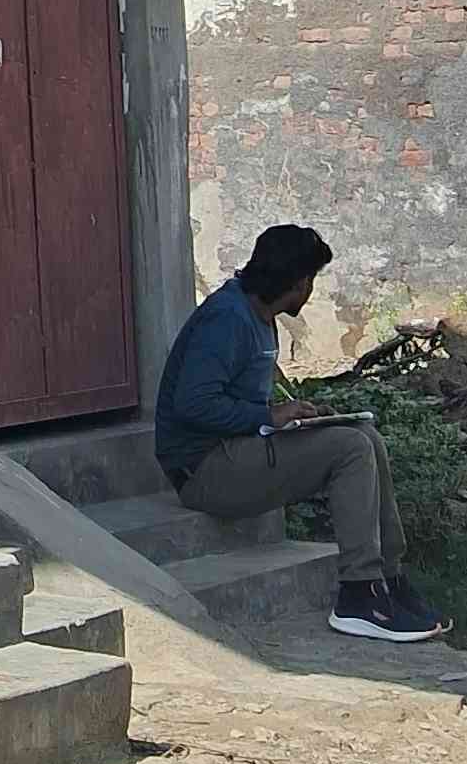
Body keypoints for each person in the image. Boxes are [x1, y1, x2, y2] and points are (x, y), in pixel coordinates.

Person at [153, 224, 448, 643]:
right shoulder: (226, 318)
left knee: (364, 433)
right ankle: (359, 594)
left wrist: (303, 419)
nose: (310, 290)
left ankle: (389, 578)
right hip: (203, 470)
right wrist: (269, 416)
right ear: (297, 282)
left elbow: (245, 403)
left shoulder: (257, 314)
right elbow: (193, 404)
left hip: (238, 450)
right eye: (311, 280)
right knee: (349, 448)